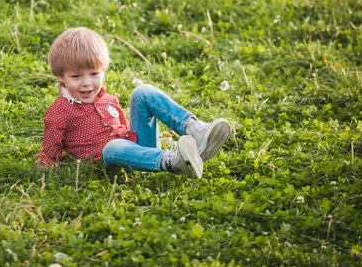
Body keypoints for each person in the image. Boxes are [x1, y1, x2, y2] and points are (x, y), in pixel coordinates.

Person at [35, 27, 231, 179]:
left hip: (136, 149)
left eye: (94, 74)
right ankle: (173, 161)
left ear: (104, 70)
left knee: (142, 92)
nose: (87, 83)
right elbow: (51, 146)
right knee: (112, 147)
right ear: (60, 77)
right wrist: (48, 162)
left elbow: (125, 128)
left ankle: (194, 130)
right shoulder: (61, 111)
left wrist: (151, 139)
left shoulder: (108, 100)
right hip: (112, 160)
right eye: (76, 76)